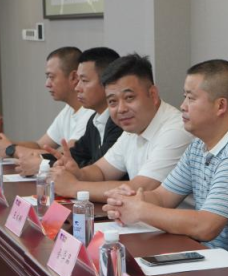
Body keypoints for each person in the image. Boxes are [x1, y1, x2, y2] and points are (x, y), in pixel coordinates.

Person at [103, 59, 228, 276]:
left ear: (220, 106)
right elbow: (163, 197)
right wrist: (128, 201)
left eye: (191, 98)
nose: (183, 105)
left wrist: (140, 210)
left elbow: (205, 227)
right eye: (185, 96)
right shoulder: (199, 145)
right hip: (214, 259)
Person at [51, 54, 191, 203]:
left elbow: (139, 189)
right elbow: (101, 171)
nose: (121, 109)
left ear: (153, 94)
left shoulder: (176, 130)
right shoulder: (132, 128)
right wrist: (77, 174)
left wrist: (73, 187)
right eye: (112, 101)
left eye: (129, 98)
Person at [0, 47, 91, 165]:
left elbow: (64, 157)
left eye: (51, 77)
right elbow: (39, 145)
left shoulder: (89, 114)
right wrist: (3, 145)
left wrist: (10, 149)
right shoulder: (69, 109)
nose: (47, 84)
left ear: (74, 77)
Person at [37, 47, 124, 172]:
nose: (77, 88)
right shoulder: (94, 121)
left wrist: (44, 165)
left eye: (84, 81)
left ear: (107, 82)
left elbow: (96, 168)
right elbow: (75, 155)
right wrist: (40, 160)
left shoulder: (119, 123)